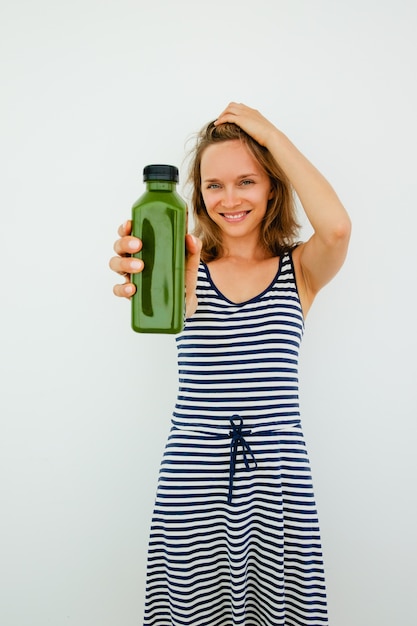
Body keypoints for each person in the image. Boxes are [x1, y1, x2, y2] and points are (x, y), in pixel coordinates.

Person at [109, 102, 351, 626]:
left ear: (273, 187)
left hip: (278, 482)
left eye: (247, 180)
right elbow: (152, 296)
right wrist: (134, 268)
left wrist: (267, 132)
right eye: (214, 186)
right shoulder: (185, 268)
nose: (230, 198)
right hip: (193, 480)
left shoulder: (299, 271)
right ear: (198, 196)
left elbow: (335, 230)